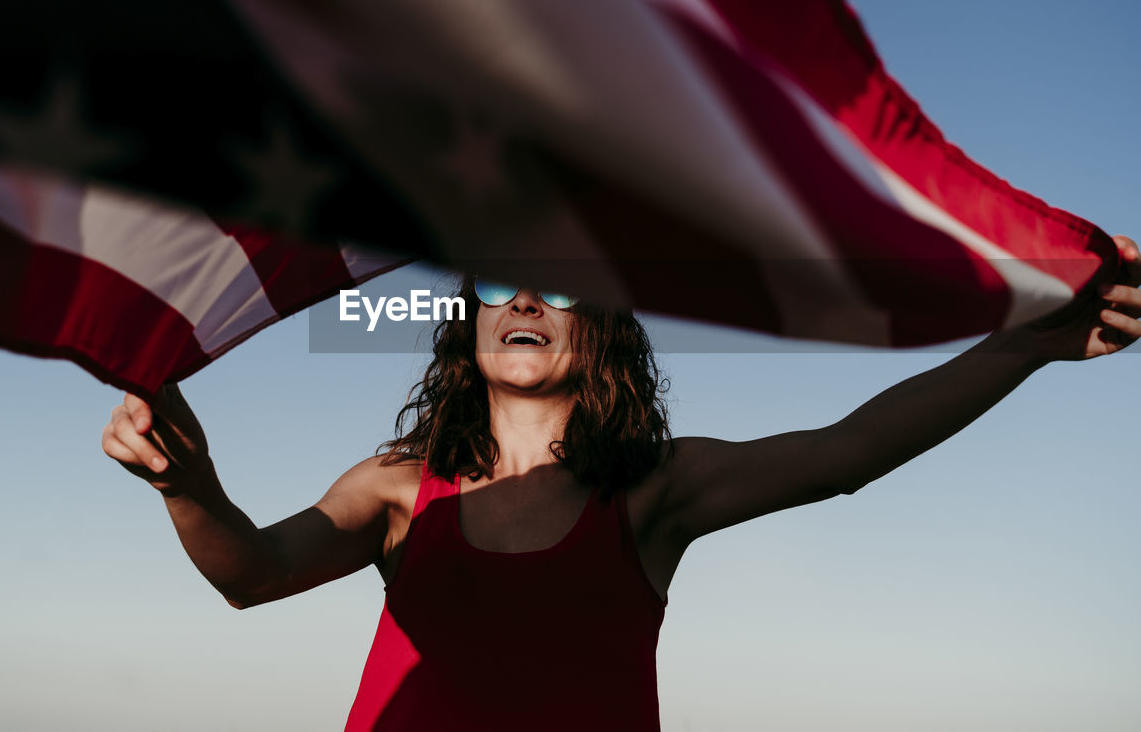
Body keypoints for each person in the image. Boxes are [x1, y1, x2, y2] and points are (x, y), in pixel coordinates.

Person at [101, 237, 1141, 731]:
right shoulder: (393, 485)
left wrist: (1023, 349)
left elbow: (847, 450)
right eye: (496, 282)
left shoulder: (653, 489)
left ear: (601, 321)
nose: (522, 297)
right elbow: (252, 570)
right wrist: (184, 485)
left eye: (556, 285)